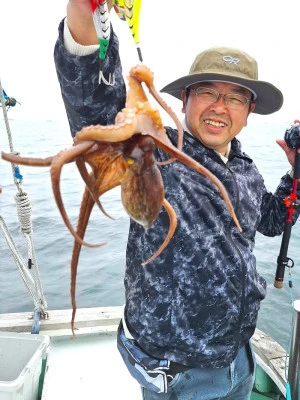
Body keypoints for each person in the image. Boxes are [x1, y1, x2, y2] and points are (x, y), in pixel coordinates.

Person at [54, 1, 300, 399]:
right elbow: (94, 113)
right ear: (185, 99)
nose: (220, 106)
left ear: (249, 112)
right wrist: (86, 18)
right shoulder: (156, 152)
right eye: (207, 92)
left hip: (238, 356)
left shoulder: (246, 169)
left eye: (236, 98)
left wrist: (295, 174)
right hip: (181, 373)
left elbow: (271, 220)